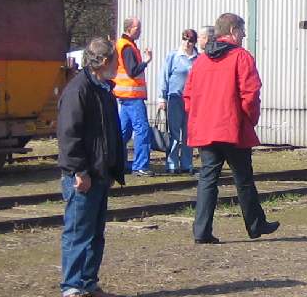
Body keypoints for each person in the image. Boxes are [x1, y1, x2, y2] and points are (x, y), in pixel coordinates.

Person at [184, 13, 279, 244]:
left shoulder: (201, 61)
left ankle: (201, 231)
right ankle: (255, 225)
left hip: (206, 128)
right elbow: (250, 93)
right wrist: (249, 120)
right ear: (233, 31)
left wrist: (198, 118)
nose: (244, 35)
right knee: (243, 178)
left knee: (208, 179)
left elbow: (188, 96)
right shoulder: (241, 57)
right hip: (232, 127)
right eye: (242, 31)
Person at [56, 37, 127, 297]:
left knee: (95, 234)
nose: (119, 65)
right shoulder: (78, 90)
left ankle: (88, 282)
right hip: (83, 176)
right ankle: (71, 287)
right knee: (77, 233)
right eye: (116, 60)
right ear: (105, 61)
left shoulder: (103, 90)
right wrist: (79, 171)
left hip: (100, 172)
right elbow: (69, 136)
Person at [113, 16, 153, 176]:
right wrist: (147, 61)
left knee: (123, 132)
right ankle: (140, 166)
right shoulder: (127, 47)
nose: (140, 31)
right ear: (130, 28)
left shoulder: (122, 44)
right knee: (142, 130)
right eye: (138, 28)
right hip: (132, 95)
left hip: (125, 95)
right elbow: (132, 71)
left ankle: (117, 162)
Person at [158, 29, 200, 173]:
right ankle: (172, 163)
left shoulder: (198, 58)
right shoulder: (173, 56)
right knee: (174, 132)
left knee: (189, 133)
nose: (187, 43)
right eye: (185, 39)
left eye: (190, 40)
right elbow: (164, 76)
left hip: (192, 100)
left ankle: (187, 164)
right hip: (175, 98)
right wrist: (162, 97)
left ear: (195, 42)